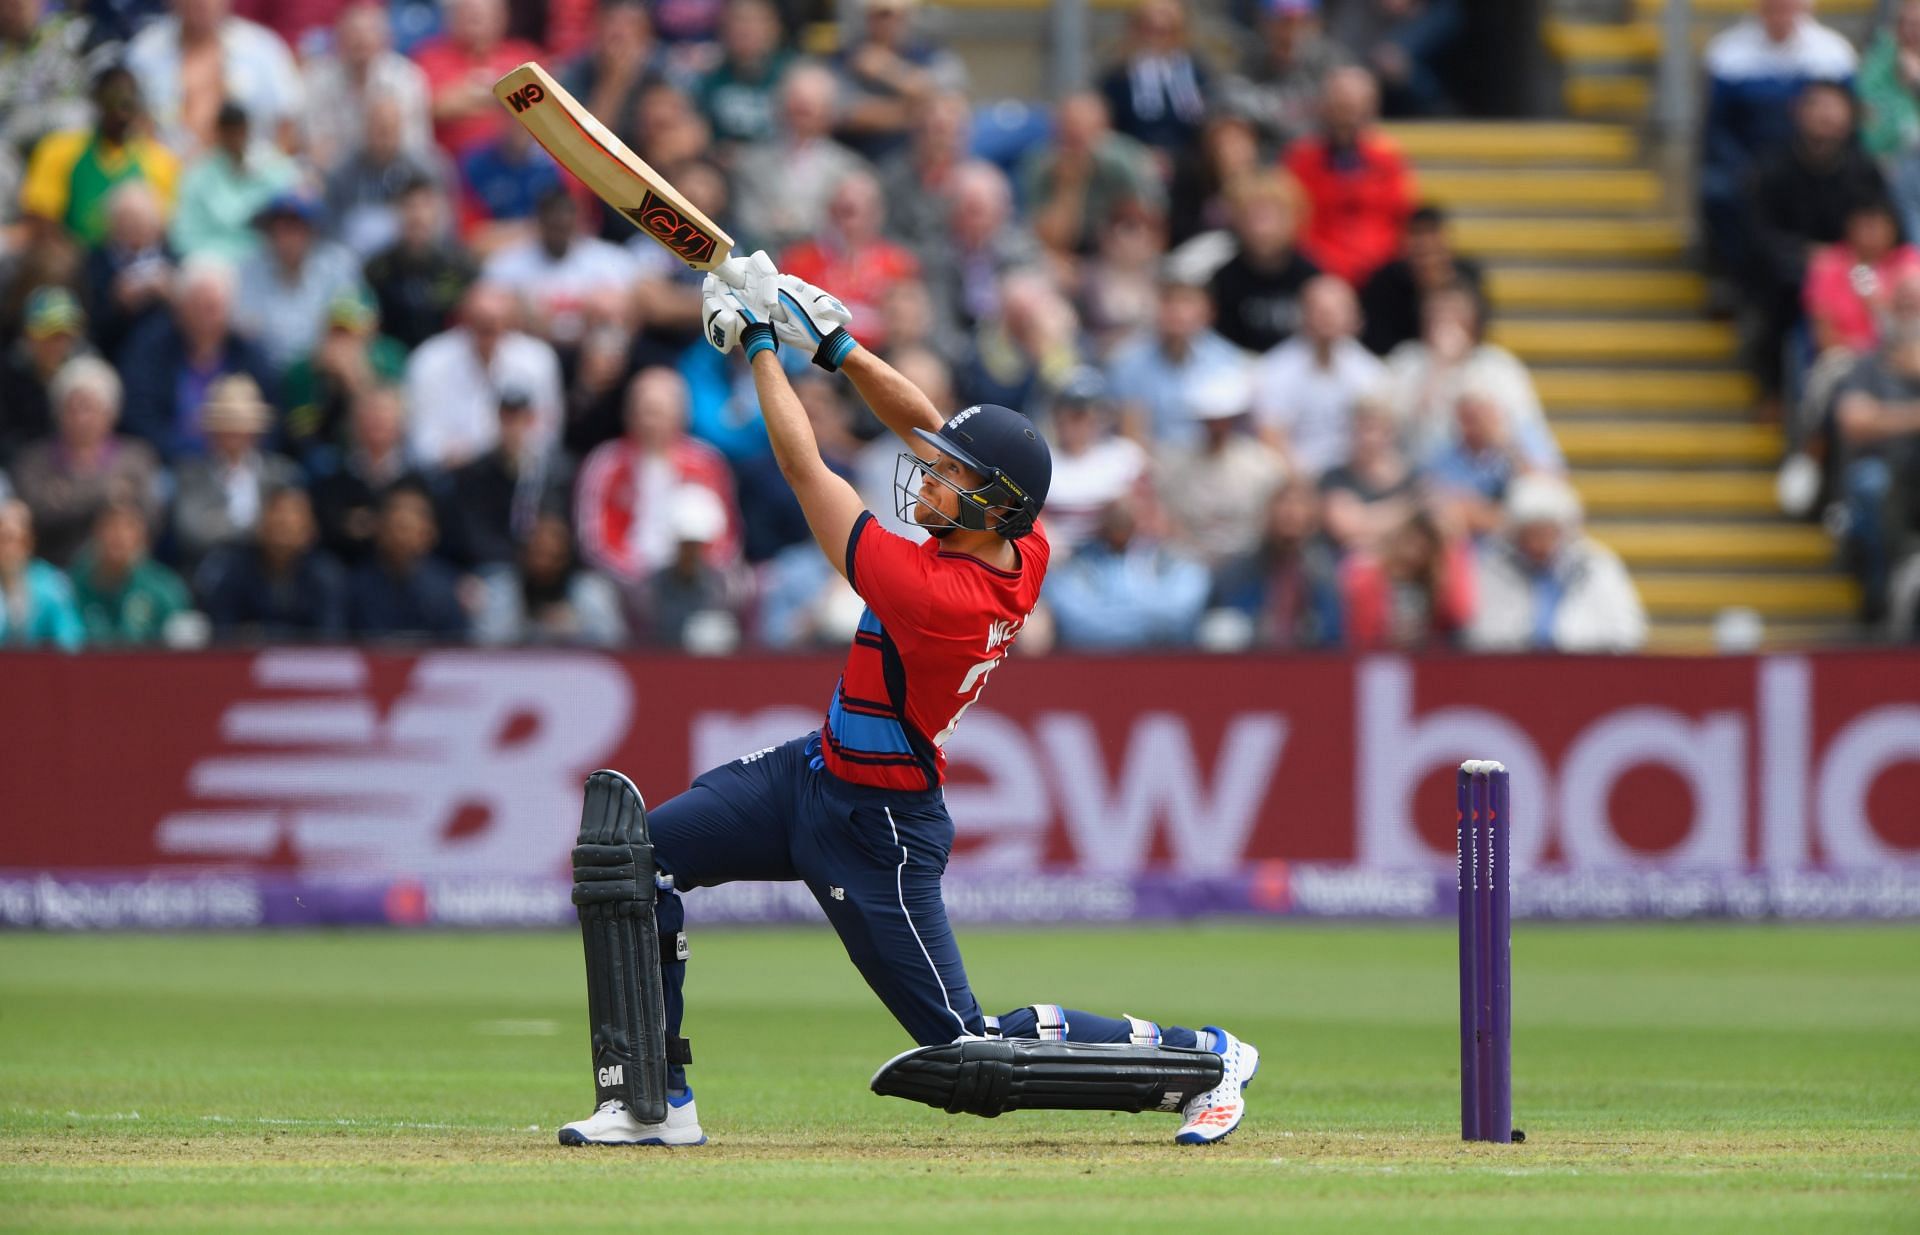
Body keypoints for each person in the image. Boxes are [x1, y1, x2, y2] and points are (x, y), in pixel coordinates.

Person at [554, 251, 1260, 1149]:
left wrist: (764, 347)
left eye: (948, 479)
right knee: (635, 864)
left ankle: (1204, 1057)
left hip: (878, 823)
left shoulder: (939, 600)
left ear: (990, 508)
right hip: (809, 776)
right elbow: (925, 423)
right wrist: (839, 346)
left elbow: (808, 470)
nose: (926, 476)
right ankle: (656, 1102)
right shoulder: (1021, 543)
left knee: (964, 1040)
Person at [1748, 83, 1890, 415]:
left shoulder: (1863, 170)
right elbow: (1759, 234)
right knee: (1781, 299)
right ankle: (1777, 392)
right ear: (1799, 113)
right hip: (1791, 272)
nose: (1825, 116)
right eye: (1817, 106)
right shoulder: (1772, 169)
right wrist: (1808, 257)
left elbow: (1881, 226)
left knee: (1877, 291)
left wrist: (1845, 259)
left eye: (1834, 107)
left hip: (1857, 269)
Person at [1700, 0, 1857, 275]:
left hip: (1813, 162)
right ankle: (1734, 277)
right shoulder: (1728, 52)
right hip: (1749, 162)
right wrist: (1744, 167)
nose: (1781, 11)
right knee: (1718, 191)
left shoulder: (1832, 53)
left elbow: (1849, 121)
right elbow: (1717, 128)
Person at [574, 367, 741, 590]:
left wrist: (695, 573)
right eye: (644, 411)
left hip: (692, 578)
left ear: (681, 415)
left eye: (658, 412)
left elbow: (726, 540)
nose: (650, 422)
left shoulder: (707, 464)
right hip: (625, 581)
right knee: (591, 590)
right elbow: (594, 540)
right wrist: (636, 575)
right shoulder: (606, 463)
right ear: (629, 414)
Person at [116, 255, 278, 460]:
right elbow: (140, 418)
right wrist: (187, 455)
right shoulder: (150, 349)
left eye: (214, 308)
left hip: (239, 464)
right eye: (198, 306)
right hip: (170, 463)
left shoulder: (250, 353)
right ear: (180, 308)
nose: (206, 318)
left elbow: (272, 420)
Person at [9, 354, 162, 568]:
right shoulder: (33, 461)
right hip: (53, 568)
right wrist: (108, 494)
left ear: (110, 412)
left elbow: (149, 518)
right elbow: (36, 518)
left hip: (123, 572)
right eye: (72, 407)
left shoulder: (136, 458)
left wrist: (66, 497)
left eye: (89, 408)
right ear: (57, 412)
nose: (81, 418)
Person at [1467, 474, 1647, 653]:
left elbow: (1627, 631)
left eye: (1546, 533)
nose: (1537, 544)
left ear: (1563, 532)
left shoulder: (1597, 566)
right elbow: (1480, 634)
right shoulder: (1494, 567)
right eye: (1530, 534)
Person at [18, 64, 179, 250]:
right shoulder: (58, 149)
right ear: (96, 101)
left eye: (127, 103)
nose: (119, 113)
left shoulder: (161, 161)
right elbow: (42, 219)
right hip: (72, 258)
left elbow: (163, 230)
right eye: (111, 101)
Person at [404, 284, 563, 469]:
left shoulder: (537, 360)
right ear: (464, 320)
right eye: (481, 323)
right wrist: (459, 454)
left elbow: (547, 431)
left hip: (517, 470)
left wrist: (513, 449)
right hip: (450, 474)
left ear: (512, 322)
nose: (490, 331)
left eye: (498, 322)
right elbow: (421, 438)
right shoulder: (430, 360)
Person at [1283, 66, 1414, 286]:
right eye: (1339, 108)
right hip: (1317, 275)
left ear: (1371, 110)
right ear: (1324, 108)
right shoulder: (1300, 159)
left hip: (1380, 276)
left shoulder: (1388, 161)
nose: (1347, 119)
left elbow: (1401, 221)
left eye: (1355, 109)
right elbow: (1292, 223)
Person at [1250, 275, 1385, 480]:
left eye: (1337, 310)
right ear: (1302, 314)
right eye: (1319, 310)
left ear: (1355, 317)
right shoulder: (1274, 369)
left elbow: (1377, 435)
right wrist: (1302, 484)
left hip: (1354, 478)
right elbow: (1270, 437)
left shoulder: (1369, 370)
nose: (1328, 318)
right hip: (1294, 478)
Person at [125, 0, 304, 154]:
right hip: (162, 181)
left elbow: (289, 126)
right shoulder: (143, 56)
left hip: (250, 181)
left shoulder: (264, 51)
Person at [1155, 365, 1287, 566]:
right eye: (1210, 420)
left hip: (1248, 563)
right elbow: (1166, 520)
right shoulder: (1173, 464)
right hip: (1189, 562)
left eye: (1222, 419)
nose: (1216, 427)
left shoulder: (1261, 464)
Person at [170, 373, 301, 573]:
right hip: (210, 572)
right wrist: (258, 529)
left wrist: (218, 522)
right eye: (226, 427)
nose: (234, 434)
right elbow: (191, 531)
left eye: (240, 427)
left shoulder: (280, 473)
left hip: (268, 573)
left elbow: (293, 531)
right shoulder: (190, 474)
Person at [730, 63, 866, 254]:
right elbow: (748, 221)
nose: (802, 108)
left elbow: (847, 227)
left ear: (830, 111)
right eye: (797, 101)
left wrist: (790, 223)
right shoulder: (751, 162)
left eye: (812, 104)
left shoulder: (849, 168)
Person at [1046, 491, 1210, 648]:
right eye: (1114, 506)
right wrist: (1141, 624)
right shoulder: (1075, 566)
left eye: (1135, 502)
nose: (1122, 512)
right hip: (1094, 665)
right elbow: (1079, 626)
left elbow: (1178, 615)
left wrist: (1114, 617)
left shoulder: (1175, 561)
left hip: (1168, 662)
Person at [1107, 269, 1249, 445]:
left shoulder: (1228, 361)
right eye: (1168, 301)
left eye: (1187, 301)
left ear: (1209, 311)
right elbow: (1132, 437)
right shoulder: (1129, 362)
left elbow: (1230, 431)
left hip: (1212, 457)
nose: (1176, 310)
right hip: (1157, 459)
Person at [233, 192, 367, 375]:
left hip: (321, 372)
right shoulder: (248, 270)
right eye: (280, 229)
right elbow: (244, 330)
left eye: (296, 228)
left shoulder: (337, 265)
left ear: (312, 232)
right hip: (264, 372)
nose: (287, 238)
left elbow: (353, 321)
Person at [197, 484, 350, 641]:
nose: (282, 521)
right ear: (260, 525)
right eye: (276, 513)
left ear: (311, 529)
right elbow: (223, 630)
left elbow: (330, 638)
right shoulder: (235, 569)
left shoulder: (326, 575)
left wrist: (264, 634)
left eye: (293, 515)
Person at [1021, 92, 1163, 258]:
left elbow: (1151, 225)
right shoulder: (1041, 163)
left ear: (1106, 129)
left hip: (1117, 252)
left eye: (1085, 128)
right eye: (1068, 128)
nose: (1076, 134)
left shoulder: (1126, 159)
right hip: (1062, 256)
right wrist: (1069, 187)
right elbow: (1047, 241)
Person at [1207, 477, 1342, 649]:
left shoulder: (1324, 571)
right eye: (1283, 504)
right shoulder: (1238, 572)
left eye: (1299, 505)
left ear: (1312, 518)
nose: (1290, 513)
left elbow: (1333, 632)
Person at [300, 2, 433, 176]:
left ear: (386, 40)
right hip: (333, 176)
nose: (360, 42)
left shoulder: (406, 79)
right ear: (338, 40)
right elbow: (314, 146)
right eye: (353, 35)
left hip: (393, 172)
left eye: (368, 35)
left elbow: (413, 145)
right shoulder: (318, 79)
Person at [832, 0, 967, 162]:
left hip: (918, 163)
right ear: (868, 16)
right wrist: (917, 112)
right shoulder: (848, 57)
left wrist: (888, 69)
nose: (890, 21)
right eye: (883, 14)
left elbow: (952, 101)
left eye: (899, 14)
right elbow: (845, 114)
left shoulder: (930, 53)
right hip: (857, 160)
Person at [167, 101, 300, 262]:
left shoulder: (273, 168)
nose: (235, 137)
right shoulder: (198, 176)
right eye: (229, 130)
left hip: (266, 261)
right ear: (218, 132)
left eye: (240, 129)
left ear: (248, 130)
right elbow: (183, 237)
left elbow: (292, 207)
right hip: (213, 263)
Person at [471, 510, 625, 646]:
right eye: (537, 553)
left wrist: (575, 628)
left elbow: (613, 643)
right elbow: (488, 646)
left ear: (566, 558)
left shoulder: (592, 592)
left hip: (574, 674)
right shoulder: (501, 590)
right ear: (523, 554)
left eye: (553, 557)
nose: (544, 563)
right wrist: (535, 626)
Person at [1034, 369, 1148, 553]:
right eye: (1075, 414)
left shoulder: (1124, 456)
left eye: (1091, 412)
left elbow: (1148, 519)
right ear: (1056, 415)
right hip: (1056, 557)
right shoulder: (1040, 460)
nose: (1083, 421)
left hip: (1112, 553)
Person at [1206, 171, 1321, 354]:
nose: (1260, 226)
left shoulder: (1310, 276)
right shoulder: (1224, 279)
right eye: (1252, 215)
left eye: (1269, 215)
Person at [362, 175, 478, 350]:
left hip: (444, 358)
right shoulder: (376, 269)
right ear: (396, 212)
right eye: (409, 206)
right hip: (392, 358)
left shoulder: (461, 268)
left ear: (438, 213)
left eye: (426, 206)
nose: (417, 215)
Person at [413, 0, 541, 158]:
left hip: (512, 161)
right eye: (467, 13)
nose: (474, 19)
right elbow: (425, 111)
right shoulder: (429, 57)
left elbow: (540, 108)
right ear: (451, 17)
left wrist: (466, 97)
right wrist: (498, 96)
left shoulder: (524, 56)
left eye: (481, 15)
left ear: (502, 18)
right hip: (450, 161)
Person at [1219, 0, 1347, 154]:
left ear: (1315, 24)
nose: (1292, 31)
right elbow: (1227, 97)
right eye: (1283, 21)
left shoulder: (1332, 61)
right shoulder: (1251, 60)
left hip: (1321, 157)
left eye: (1302, 21)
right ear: (1265, 23)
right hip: (1267, 156)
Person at [345, 480, 469, 639]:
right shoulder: (355, 586)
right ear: (379, 528)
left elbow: (455, 653)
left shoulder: (446, 590)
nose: (402, 537)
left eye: (409, 528)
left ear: (430, 533)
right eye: (396, 526)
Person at [1357, 203, 1484, 357]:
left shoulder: (1468, 276)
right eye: (1421, 252)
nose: (1427, 259)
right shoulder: (1385, 283)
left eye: (1433, 252)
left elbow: (1479, 328)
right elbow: (1376, 342)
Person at [1338, 508, 1472, 650]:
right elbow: (1361, 634)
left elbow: (1458, 613)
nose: (1413, 552)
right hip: (1378, 658)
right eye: (1410, 541)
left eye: (1424, 547)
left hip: (1424, 659)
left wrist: (1453, 548)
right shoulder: (1367, 576)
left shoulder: (1432, 582)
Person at [1097, 0, 1211, 160]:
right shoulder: (1118, 78)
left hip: (1188, 164)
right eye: (1149, 29)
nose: (1156, 38)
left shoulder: (1197, 75)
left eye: (1166, 31)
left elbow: (1203, 126)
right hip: (1133, 161)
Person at [67, 500, 192, 645]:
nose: (118, 535)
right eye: (110, 526)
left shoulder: (164, 589)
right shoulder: (72, 586)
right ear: (95, 532)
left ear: (142, 536)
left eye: (128, 527)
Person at [0, 287, 96, 468]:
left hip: (79, 468)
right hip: (20, 466)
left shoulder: (90, 372)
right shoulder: (8, 374)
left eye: (66, 334)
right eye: (50, 334)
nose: (59, 344)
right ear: (28, 334)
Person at [694, 0, 794, 150]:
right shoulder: (708, 78)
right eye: (738, 21)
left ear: (775, 28)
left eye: (754, 21)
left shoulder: (795, 74)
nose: (745, 29)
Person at [0, 498, 84, 649]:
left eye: (13, 539)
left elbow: (69, 640)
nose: (7, 548)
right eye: (2, 539)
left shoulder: (51, 584)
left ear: (28, 543)